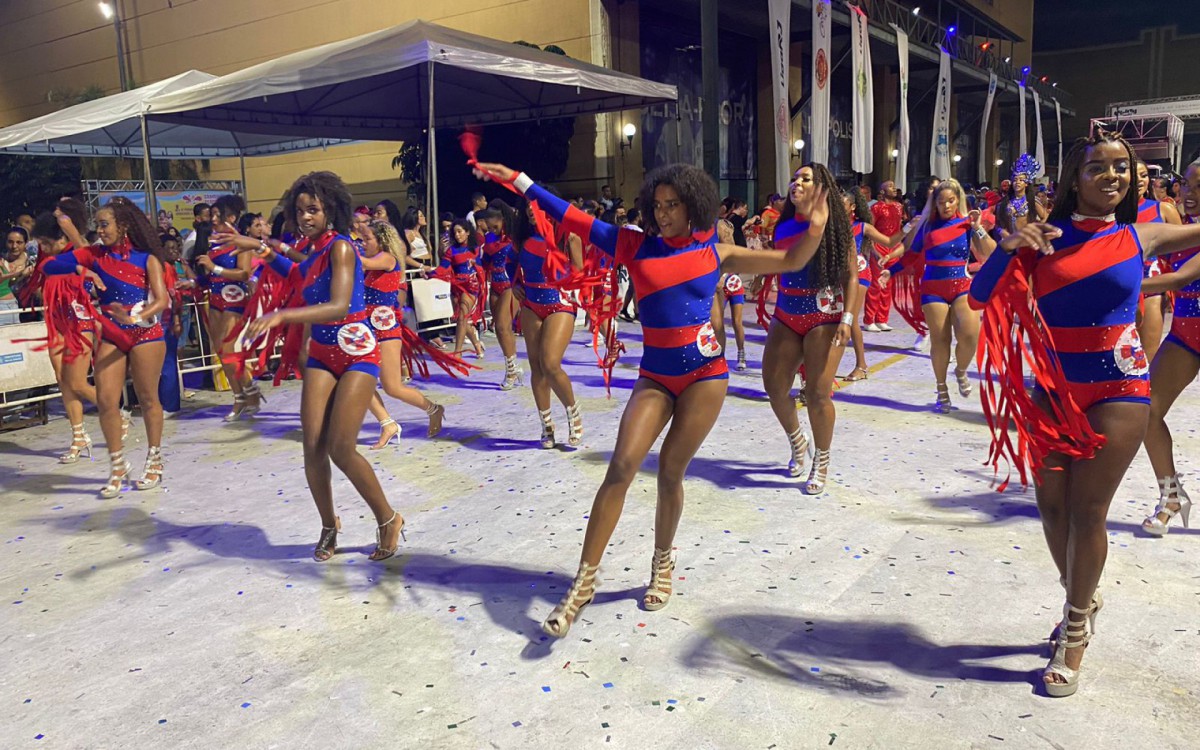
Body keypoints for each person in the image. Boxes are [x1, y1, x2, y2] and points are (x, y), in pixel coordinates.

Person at [472, 159, 829, 637]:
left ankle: (662, 562)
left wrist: (817, 227)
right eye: (657, 206)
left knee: (669, 472)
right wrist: (521, 181)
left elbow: (790, 261)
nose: (662, 214)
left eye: (672, 205)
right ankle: (584, 581)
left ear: (693, 205)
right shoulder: (632, 244)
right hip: (655, 378)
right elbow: (570, 218)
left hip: (705, 377)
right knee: (620, 466)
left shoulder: (716, 251)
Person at [969, 131, 1200, 697]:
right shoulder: (1041, 238)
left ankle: (1074, 630)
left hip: (1120, 388)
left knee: (1087, 511)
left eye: (1122, 167)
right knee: (1052, 507)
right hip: (1053, 389)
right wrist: (1007, 245)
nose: (1114, 176)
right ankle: (1084, 594)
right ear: (1075, 178)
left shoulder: (1140, 234)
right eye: (1099, 167)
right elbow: (978, 297)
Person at [235, 172, 407, 562]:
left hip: (358, 353)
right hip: (322, 355)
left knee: (341, 447)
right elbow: (295, 273)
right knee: (312, 447)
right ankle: (329, 524)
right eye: (300, 211)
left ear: (330, 210)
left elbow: (340, 305)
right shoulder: (312, 248)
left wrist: (283, 316)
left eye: (313, 209)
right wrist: (261, 249)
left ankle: (388, 517)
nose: (305, 216)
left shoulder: (342, 248)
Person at [44, 198, 169, 498]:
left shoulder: (146, 259)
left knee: (149, 399)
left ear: (123, 226)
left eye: (104, 224)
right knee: (107, 401)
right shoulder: (95, 255)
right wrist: (81, 268)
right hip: (112, 335)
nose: (100, 231)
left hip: (145, 333)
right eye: (97, 225)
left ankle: (154, 459)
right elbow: (50, 266)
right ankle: (117, 465)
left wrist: (136, 316)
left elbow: (162, 300)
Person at [759, 165, 856, 493]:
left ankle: (822, 459)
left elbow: (851, 277)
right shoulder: (783, 226)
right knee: (773, 386)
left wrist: (848, 319)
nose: (796, 183)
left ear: (820, 188)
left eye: (806, 179)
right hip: (786, 313)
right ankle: (798, 441)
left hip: (824, 316)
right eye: (794, 178)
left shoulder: (837, 227)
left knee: (817, 393)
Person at [882, 179, 995, 412]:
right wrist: (890, 271)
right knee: (940, 340)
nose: (946, 206)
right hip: (933, 289)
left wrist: (978, 227)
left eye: (950, 201)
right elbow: (911, 255)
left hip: (962, 286)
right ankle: (941, 389)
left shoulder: (967, 224)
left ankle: (961, 370)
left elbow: (990, 252)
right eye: (941, 202)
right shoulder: (927, 227)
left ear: (958, 200)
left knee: (970, 335)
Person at [1141, 159, 1200, 536]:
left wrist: (1119, 284)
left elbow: (1178, 277)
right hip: (1185, 335)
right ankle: (1171, 495)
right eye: (1188, 185)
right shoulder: (1177, 228)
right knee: (1146, 411)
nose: (1190, 193)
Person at [28, 205, 104, 461]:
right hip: (55, 320)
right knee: (63, 380)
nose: (44, 248)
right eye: (41, 243)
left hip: (78, 321)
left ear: (62, 238)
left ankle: (116, 412)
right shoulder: (49, 261)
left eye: (48, 243)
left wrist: (69, 227)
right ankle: (79, 436)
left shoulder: (77, 255)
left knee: (78, 382)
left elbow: (84, 248)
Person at [513, 195, 585, 449]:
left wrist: (568, 280)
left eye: (536, 208)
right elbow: (514, 266)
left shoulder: (569, 238)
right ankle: (546, 425)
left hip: (561, 303)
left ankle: (572, 413)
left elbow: (580, 273)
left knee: (551, 363)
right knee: (537, 369)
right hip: (531, 305)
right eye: (528, 209)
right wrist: (514, 286)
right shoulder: (523, 239)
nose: (531, 213)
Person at [195, 195, 261, 421]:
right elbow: (209, 275)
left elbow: (244, 273)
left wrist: (214, 268)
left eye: (216, 214)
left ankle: (248, 393)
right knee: (222, 354)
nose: (212, 219)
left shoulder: (241, 241)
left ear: (231, 217)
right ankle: (240, 395)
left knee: (231, 351)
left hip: (234, 300)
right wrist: (194, 282)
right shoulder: (214, 241)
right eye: (211, 214)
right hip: (214, 299)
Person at [841, 190, 909, 381]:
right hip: (839, 275)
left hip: (860, 273)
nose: (838, 206)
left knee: (850, 319)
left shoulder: (862, 227)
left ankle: (861, 365)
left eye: (843, 203)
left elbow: (888, 241)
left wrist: (908, 226)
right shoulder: (833, 226)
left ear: (853, 207)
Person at [1134, 158, 1181, 368]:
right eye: (1133, 175)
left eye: (1143, 175)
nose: (1139, 180)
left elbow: (1182, 253)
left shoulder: (1163, 210)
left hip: (1152, 288)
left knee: (1147, 361)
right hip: (1117, 291)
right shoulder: (1107, 214)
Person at [477, 203, 524, 389]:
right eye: (489, 228)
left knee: (504, 325)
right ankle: (513, 367)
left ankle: (511, 371)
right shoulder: (489, 239)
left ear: (504, 220)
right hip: (495, 285)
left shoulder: (515, 238)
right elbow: (484, 262)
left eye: (495, 227)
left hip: (510, 285)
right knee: (499, 329)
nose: (492, 231)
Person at [431, 218, 485, 358]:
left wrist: (475, 264)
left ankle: (457, 352)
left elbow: (481, 267)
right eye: (455, 233)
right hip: (457, 287)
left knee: (462, 316)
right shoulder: (451, 251)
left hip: (471, 285)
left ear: (467, 232)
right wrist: (431, 274)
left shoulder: (475, 248)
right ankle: (477, 344)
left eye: (460, 231)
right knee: (462, 319)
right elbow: (443, 267)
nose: (457, 235)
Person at [864, 180, 904, 332]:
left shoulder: (899, 207)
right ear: (882, 191)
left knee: (888, 285)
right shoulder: (876, 208)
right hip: (879, 246)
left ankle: (882, 319)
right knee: (875, 284)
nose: (894, 188)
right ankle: (869, 320)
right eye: (890, 186)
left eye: (894, 185)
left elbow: (899, 229)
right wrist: (874, 250)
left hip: (893, 247)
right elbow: (870, 231)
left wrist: (899, 247)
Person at [995, 155, 1049, 237]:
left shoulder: (1032, 201)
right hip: (1009, 241)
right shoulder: (1005, 202)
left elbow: (1046, 217)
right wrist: (1001, 231)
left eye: (1021, 180)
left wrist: (1035, 230)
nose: (1017, 182)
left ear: (1026, 183)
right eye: (1015, 180)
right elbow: (998, 223)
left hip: (1026, 242)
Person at [0, 227, 29, 324]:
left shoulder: (32, 259)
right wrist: (21, 275)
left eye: (19, 242)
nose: (14, 246)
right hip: (8, 305)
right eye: (10, 242)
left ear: (25, 243)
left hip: (31, 307)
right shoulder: (3, 259)